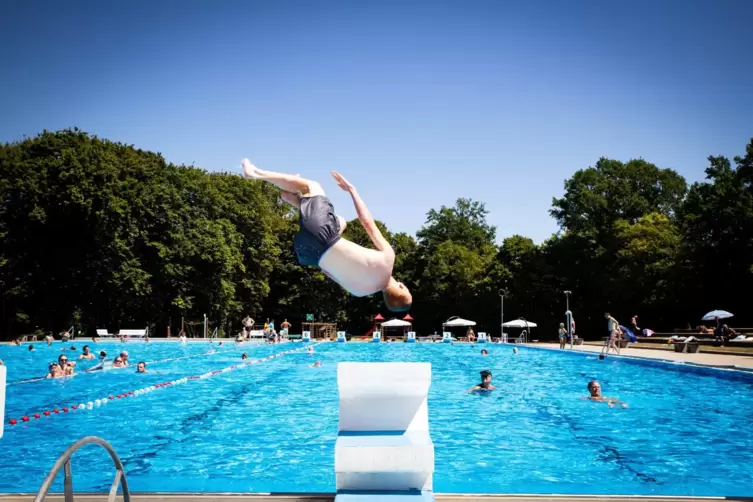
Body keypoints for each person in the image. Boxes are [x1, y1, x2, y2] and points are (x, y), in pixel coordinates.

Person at [242, 161, 412, 311]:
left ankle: (256, 174)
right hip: (307, 255)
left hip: (323, 234)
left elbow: (366, 222)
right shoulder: (359, 292)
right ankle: (295, 200)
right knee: (341, 222)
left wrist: (351, 190)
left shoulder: (388, 259)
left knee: (312, 186)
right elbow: (327, 271)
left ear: (402, 286)